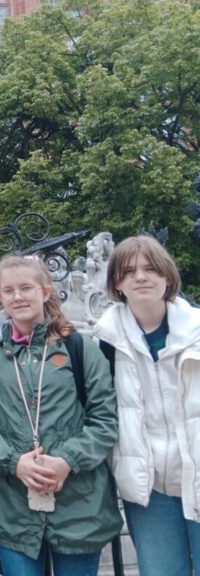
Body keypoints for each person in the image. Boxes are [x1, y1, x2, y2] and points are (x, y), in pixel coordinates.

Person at [0, 255, 121, 576]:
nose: (17, 297)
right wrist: (14, 462)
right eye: (9, 291)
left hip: (79, 503)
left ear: (45, 291)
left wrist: (67, 460)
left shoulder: (81, 348)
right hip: (14, 504)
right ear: (0, 297)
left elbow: (105, 420)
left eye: (26, 288)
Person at [93, 236, 200, 576]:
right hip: (149, 489)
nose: (140, 277)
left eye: (150, 269)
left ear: (167, 276)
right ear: (117, 284)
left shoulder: (197, 330)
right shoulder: (105, 342)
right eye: (128, 271)